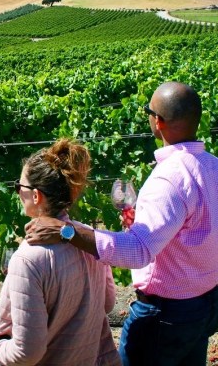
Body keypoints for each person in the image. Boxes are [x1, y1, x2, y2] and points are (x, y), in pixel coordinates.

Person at [25, 81, 218, 366]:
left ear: (158, 122)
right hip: (207, 305)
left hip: (167, 316)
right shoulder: (212, 165)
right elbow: (194, 228)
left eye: (148, 111)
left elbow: (138, 252)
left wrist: (67, 231)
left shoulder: (169, 178)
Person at [0, 138, 121, 366]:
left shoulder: (28, 259)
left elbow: (26, 353)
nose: (17, 192)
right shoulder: (90, 239)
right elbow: (107, 303)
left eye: (18, 187)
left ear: (36, 196)